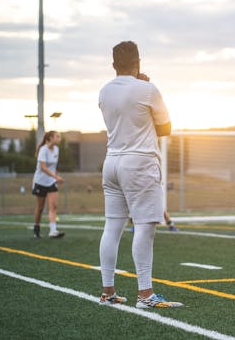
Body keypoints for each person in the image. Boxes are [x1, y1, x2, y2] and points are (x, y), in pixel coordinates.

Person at [98, 41, 182, 308]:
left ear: (113, 64)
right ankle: (145, 295)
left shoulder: (104, 91)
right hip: (139, 163)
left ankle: (108, 292)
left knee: (112, 227)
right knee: (145, 227)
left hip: (111, 162)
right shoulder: (147, 89)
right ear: (139, 62)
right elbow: (165, 128)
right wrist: (144, 85)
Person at [32, 130, 65, 239]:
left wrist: (56, 178)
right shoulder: (43, 149)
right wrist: (56, 177)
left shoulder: (56, 149)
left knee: (53, 206)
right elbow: (43, 167)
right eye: (57, 136)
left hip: (51, 182)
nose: (59, 138)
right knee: (40, 207)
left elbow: (52, 167)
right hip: (40, 182)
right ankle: (36, 228)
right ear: (50, 138)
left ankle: (53, 231)